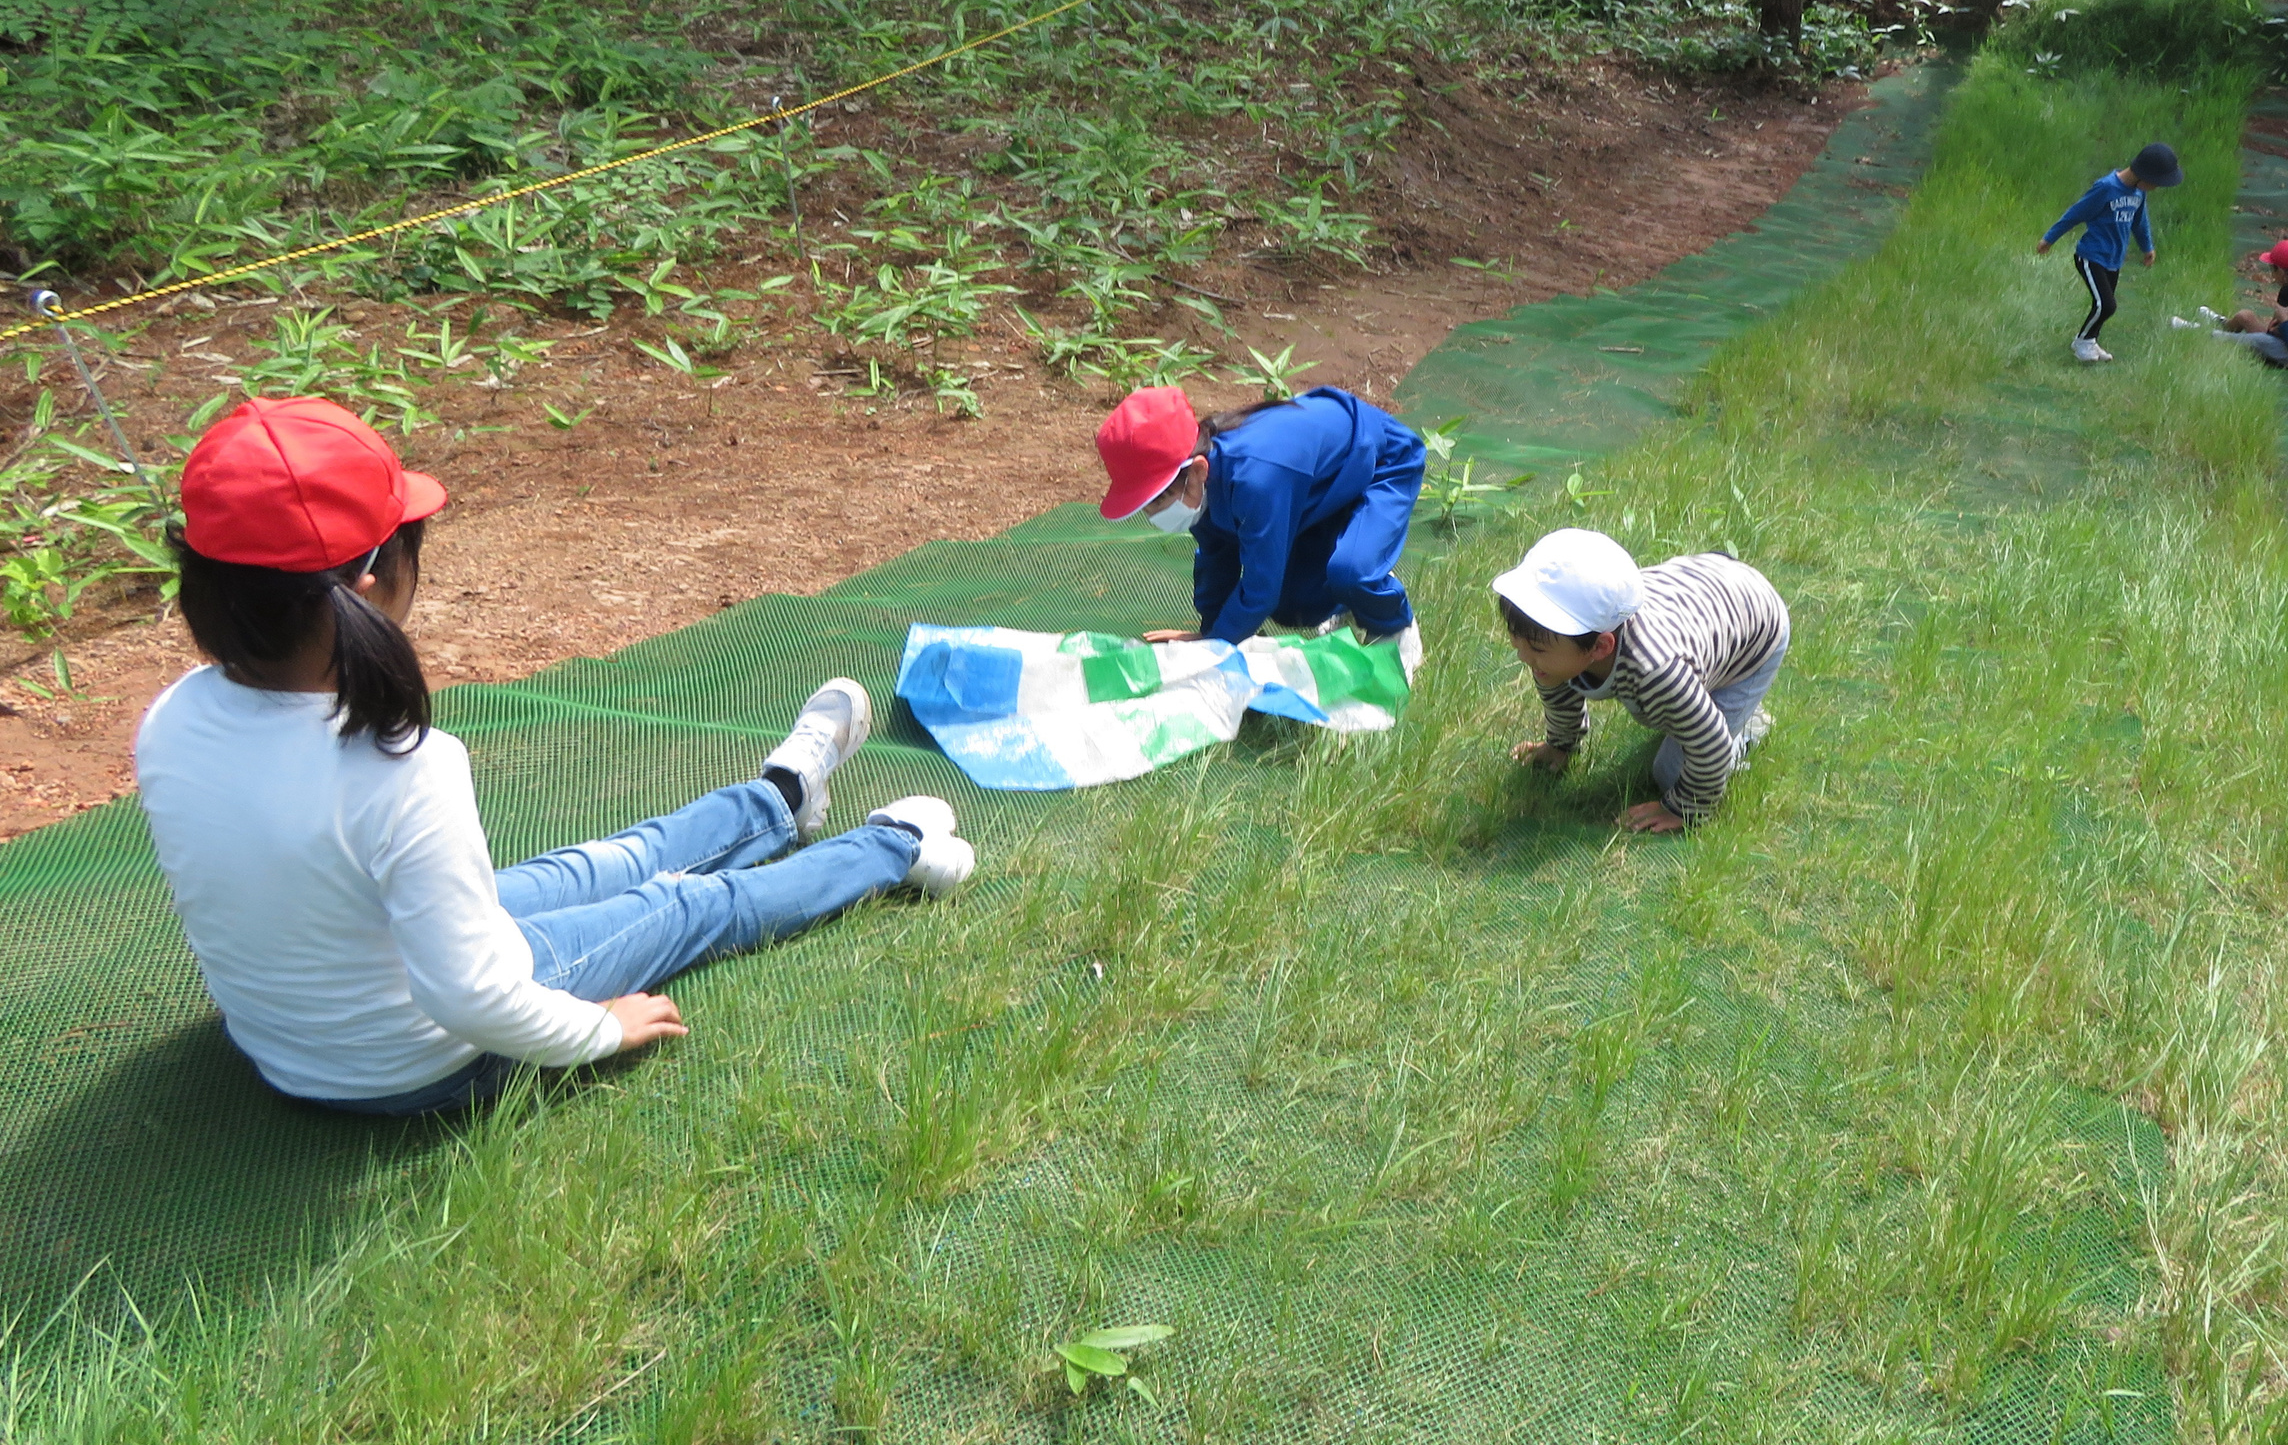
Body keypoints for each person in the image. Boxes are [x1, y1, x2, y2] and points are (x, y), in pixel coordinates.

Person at [134, 397, 976, 1118]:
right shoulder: (401, 765)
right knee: (684, 904)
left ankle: (780, 798)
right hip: (420, 1063)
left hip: (297, 1038)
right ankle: (892, 850)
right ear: (369, 584)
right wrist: (602, 1030)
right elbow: (468, 997)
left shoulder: (170, 718)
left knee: (591, 868)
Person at [1492, 528, 1789, 836]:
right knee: (1677, 715)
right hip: (1703, 586)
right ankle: (1700, 702)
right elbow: (1559, 690)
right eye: (1517, 642)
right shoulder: (1554, 650)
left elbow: (1711, 741)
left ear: (1600, 647)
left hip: (1754, 624)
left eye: (1536, 649)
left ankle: (1749, 724)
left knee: (1671, 771)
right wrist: (1560, 745)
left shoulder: (1657, 672)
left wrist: (1684, 808)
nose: (1524, 656)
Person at [1098, 383, 1427, 659]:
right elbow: (1216, 556)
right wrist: (1212, 631)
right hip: (1314, 484)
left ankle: (1394, 626)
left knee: (1351, 572)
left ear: (1197, 469)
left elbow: (1259, 591)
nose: (1154, 514)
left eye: (1158, 500)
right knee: (1292, 604)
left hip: (1380, 459)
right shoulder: (1201, 483)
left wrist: (1214, 649)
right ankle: (1345, 588)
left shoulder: (1256, 478)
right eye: (1146, 505)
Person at [2032, 140, 2183, 365]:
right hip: (2091, 256)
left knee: (2102, 305)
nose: (2157, 187)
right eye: (2157, 182)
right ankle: (2082, 341)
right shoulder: (2106, 188)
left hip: (2114, 258)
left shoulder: (2138, 193)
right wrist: (2049, 238)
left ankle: (2091, 341)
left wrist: (2147, 246)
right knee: (2107, 305)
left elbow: (2140, 221)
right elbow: (2076, 213)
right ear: (2144, 175)